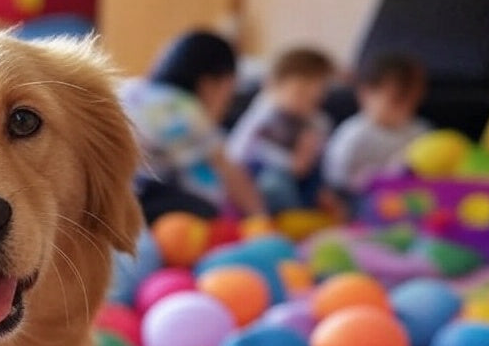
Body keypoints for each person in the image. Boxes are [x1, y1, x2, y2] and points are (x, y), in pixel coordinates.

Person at [119, 31, 266, 223]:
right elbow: (230, 174)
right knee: (204, 208)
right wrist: (261, 218)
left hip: (107, 188)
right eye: (228, 94)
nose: (227, 105)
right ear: (209, 84)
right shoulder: (183, 109)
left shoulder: (134, 87)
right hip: (135, 195)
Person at [227, 47, 335, 213]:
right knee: (274, 185)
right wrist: (291, 164)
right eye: (301, 93)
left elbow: (320, 161)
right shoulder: (265, 116)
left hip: (302, 181)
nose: (308, 100)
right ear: (272, 86)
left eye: (316, 95)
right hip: (257, 179)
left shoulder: (316, 120)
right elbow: (245, 156)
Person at [324, 53, 429, 199]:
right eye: (396, 100)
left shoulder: (419, 131)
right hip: (363, 201)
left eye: (411, 101)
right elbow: (336, 179)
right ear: (366, 94)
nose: (404, 108)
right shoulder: (354, 135)